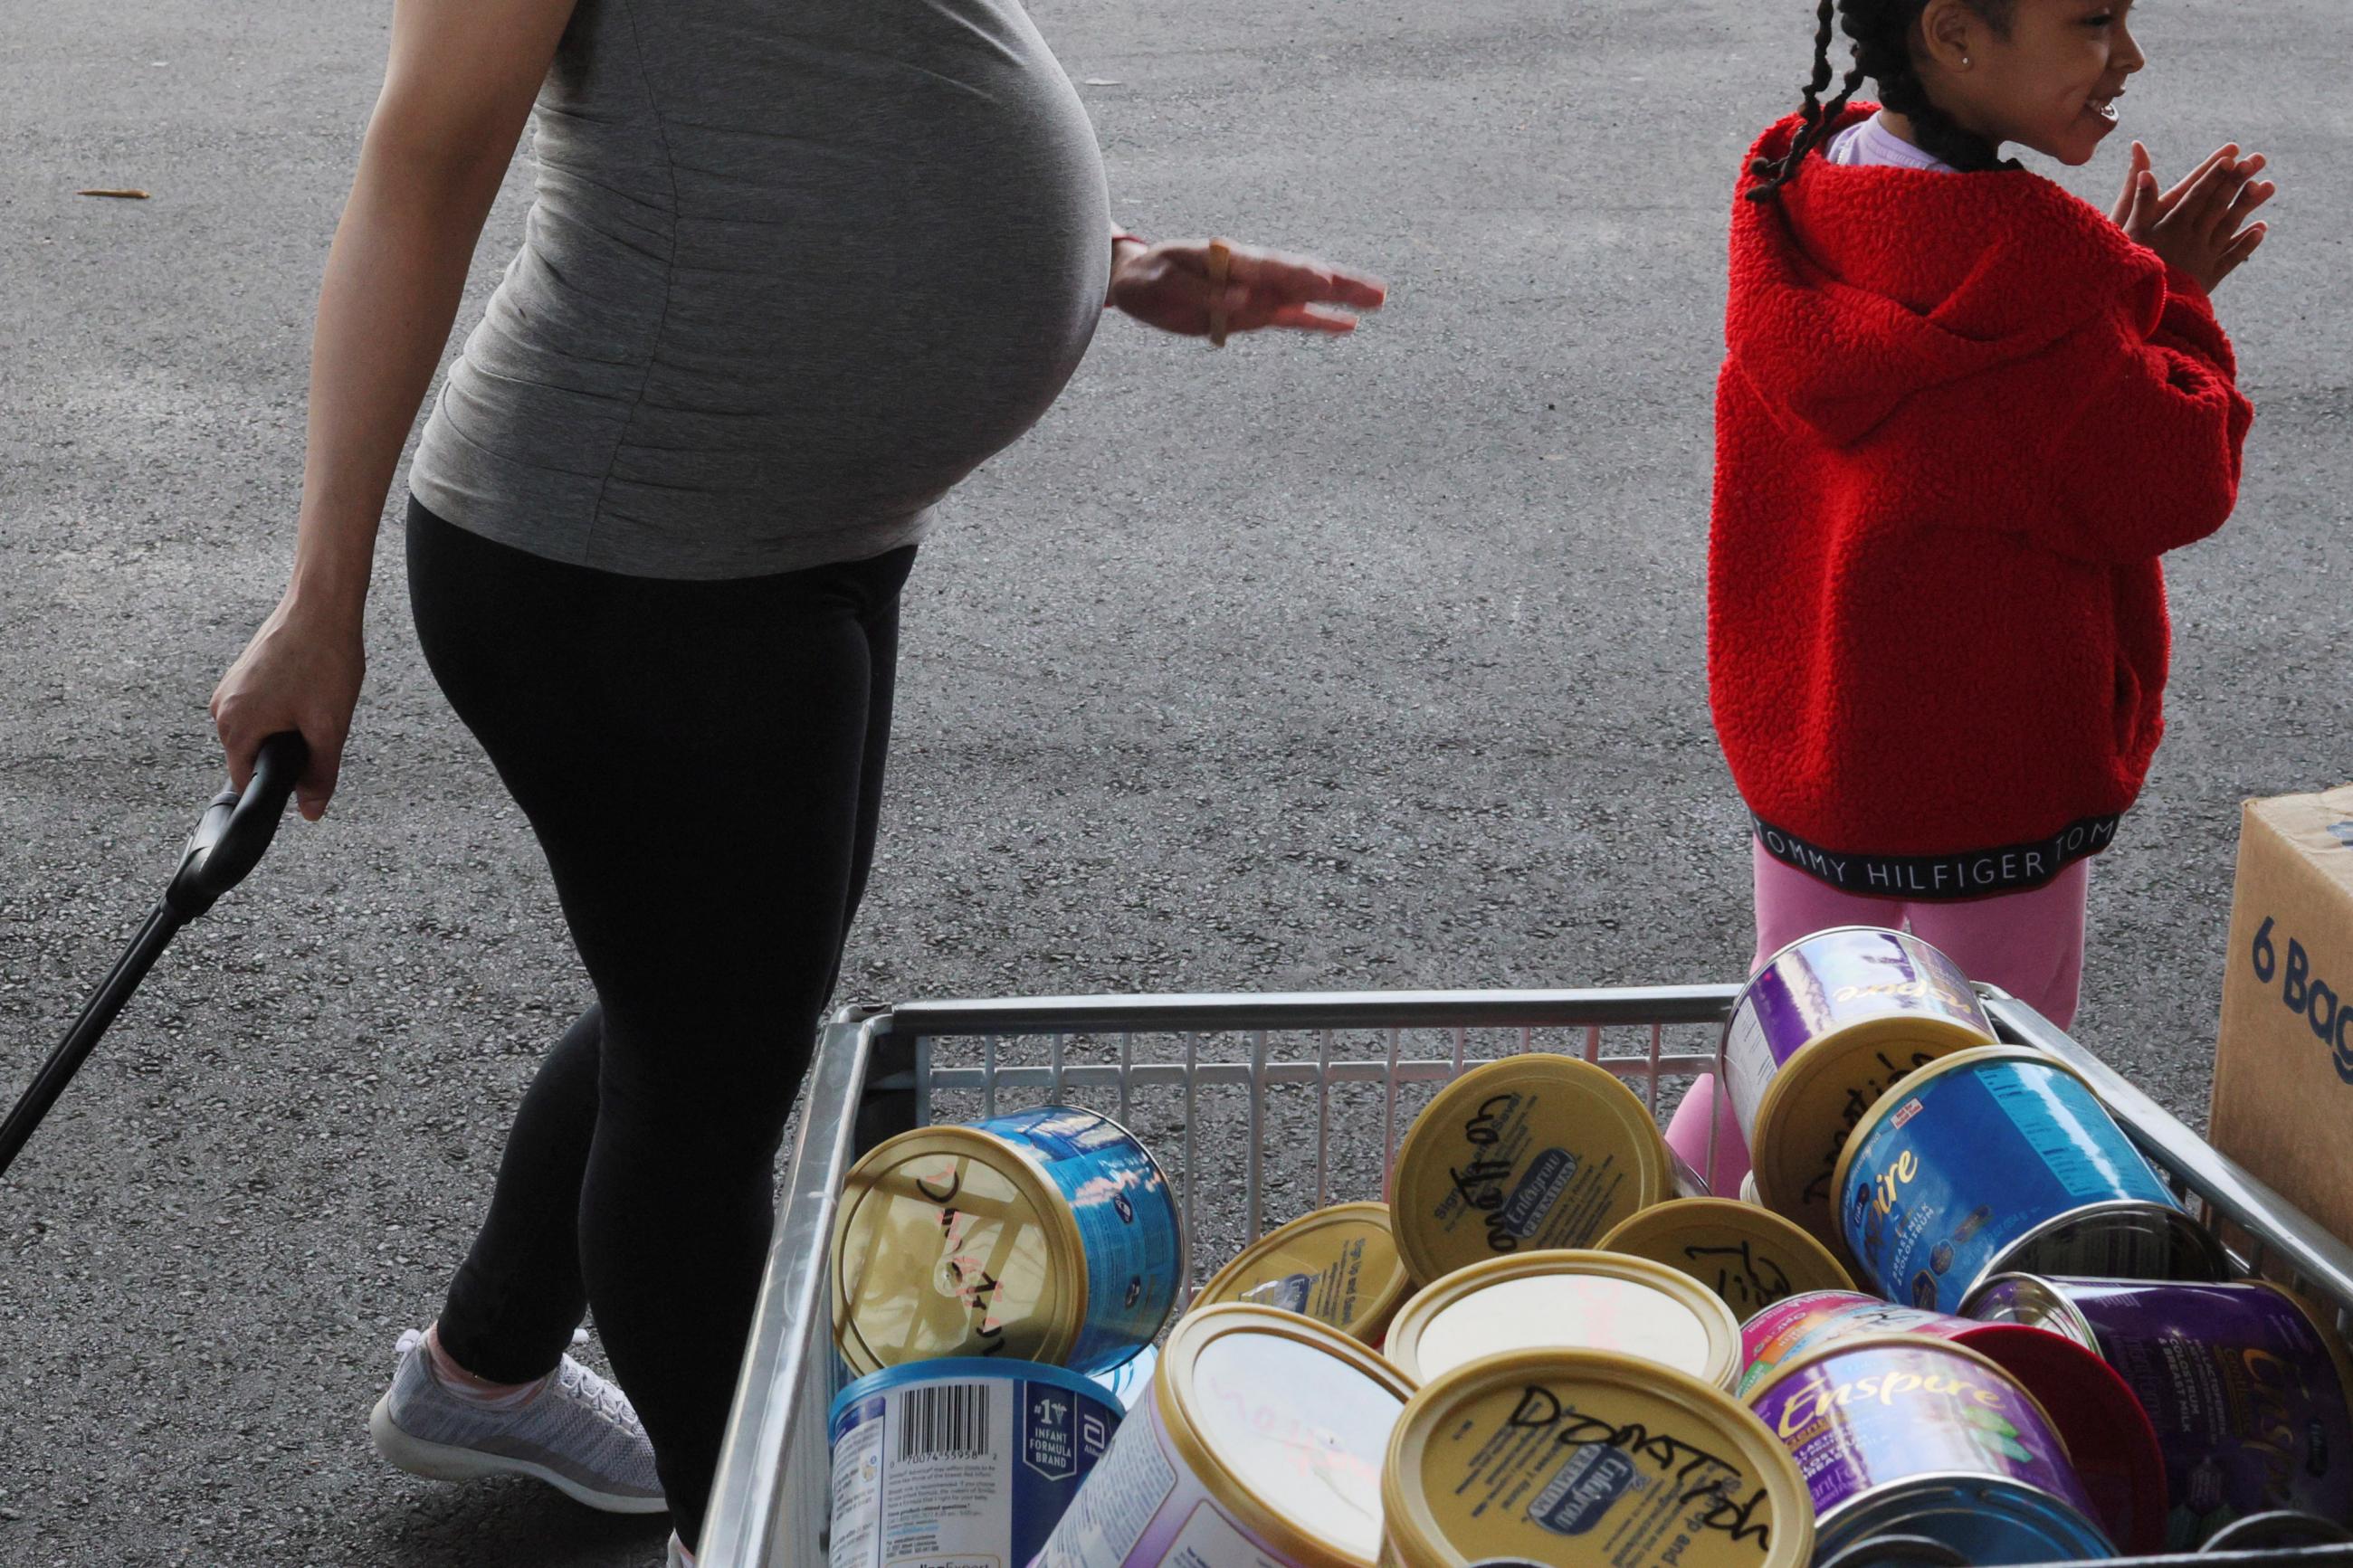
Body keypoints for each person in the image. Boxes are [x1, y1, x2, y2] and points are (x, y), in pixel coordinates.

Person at [205, 0, 1384, 1560]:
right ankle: (745, 1529)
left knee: (707, 1013)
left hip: (793, 542)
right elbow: (422, 163)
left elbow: (849, 76)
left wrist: (1117, 266)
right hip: (629, 553)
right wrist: (318, 596)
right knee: (703, 1099)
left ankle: (485, 1367)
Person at [1666, 0, 2271, 1188]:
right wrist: (2175, 303)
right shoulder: (2044, 287)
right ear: (1953, 36)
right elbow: (2177, 476)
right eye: (2093, 22)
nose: (2128, 57)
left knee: (1781, 1063)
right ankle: (1865, 1351)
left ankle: (1622, 1248)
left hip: (1814, 764)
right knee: (1961, 1123)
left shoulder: (1800, 188)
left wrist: (2125, 291)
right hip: (1990, 797)